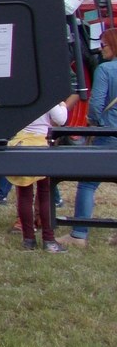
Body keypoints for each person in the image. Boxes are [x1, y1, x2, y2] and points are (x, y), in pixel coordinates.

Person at [64, 27, 117, 247]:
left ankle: (79, 234)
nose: (100, 49)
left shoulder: (105, 69)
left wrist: (94, 122)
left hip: (108, 133)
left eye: (103, 45)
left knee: (87, 184)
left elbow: (96, 105)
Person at [7, 95, 76, 251]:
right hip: (41, 143)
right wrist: (62, 103)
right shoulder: (44, 93)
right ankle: (49, 240)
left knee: (24, 195)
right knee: (45, 194)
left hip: (20, 144)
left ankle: (28, 240)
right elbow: (61, 119)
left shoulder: (15, 93)